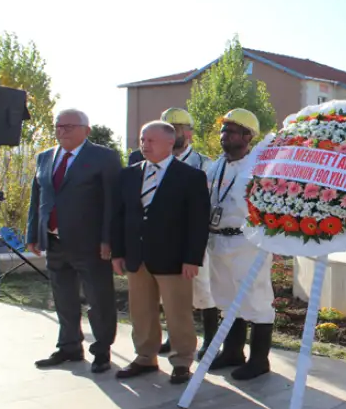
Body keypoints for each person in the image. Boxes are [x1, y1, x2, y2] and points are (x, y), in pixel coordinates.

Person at [111, 120, 211, 384]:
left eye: (151, 140)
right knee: (141, 311)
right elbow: (119, 216)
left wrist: (192, 258)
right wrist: (117, 252)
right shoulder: (129, 174)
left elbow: (198, 222)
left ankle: (181, 361)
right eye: (143, 140)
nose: (145, 145)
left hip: (174, 259)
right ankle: (145, 357)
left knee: (177, 312)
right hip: (137, 256)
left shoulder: (190, 177)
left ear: (170, 142)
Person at [27, 109, 123, 374]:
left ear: (86, 130)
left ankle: (101, 350)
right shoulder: (45, 157)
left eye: (69, 126)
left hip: (91, 244)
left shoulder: (104, 157)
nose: (63, 131)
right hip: (55, 241)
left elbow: (112, 203)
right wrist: (33, 234)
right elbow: (38, 198)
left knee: (99, 299)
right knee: (63, 297)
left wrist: (108, 240)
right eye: (59, 126)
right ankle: (69, 346)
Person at [132, 108, 218, 359]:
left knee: (203, 290)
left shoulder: (202, 163)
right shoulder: (140, 161)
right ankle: (170, 339)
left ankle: (210, 340)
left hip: (192, 240)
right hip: (158, 244)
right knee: (163, 297)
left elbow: (204, 207)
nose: (177, 132)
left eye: (179, 128)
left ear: (187, 133)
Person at [204, 109, 276, 381]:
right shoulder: (215, 166)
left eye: (232, 131)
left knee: (256, 300)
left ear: (248, 136)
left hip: (248, 242)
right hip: (217, 239)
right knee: (225, 298)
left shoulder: (259, 167)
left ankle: (259, 360)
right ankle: (233, 352)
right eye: (223, 130)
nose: (225, 136)